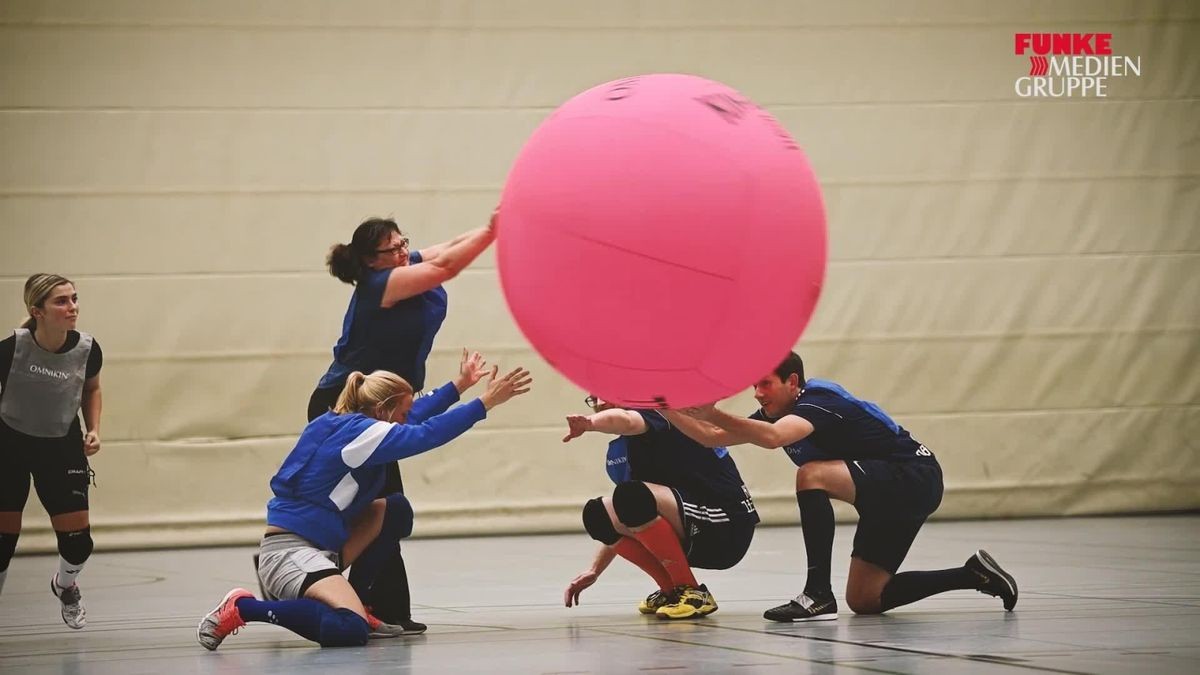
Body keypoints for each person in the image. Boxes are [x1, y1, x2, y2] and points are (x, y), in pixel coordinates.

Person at [199, 357, 532, 650]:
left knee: (394, 509)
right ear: (382, 410)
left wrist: (458, 386)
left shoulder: (347, 425)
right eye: (401, 412)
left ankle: (358, 601)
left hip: (321, 548)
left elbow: (415, 415)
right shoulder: (360, 435)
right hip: (290, 553)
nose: (407, 418)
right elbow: (425, 433)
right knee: (347, 629)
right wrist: (484, 402)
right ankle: (245, 608)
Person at [664, 351, 1018, 622]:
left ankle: (816, 594)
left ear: (792, 382)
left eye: (765, 384)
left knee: (811, 474)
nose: (757, 394)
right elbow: (711, 438)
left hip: (913, 477)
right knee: (866, 600)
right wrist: (661, 408)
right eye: (754, 386)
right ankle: (974, 574)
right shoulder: (777, 412)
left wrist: (711, 412)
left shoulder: (820, 402)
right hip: (887, 494)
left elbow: (772, 439)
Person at [295, 213, 496, 633]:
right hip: (345, 405)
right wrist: (496, 234)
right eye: (394, 248)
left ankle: (380, 606)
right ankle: (320, 586)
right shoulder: (380, 286)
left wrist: (489, 227)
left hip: (379, 406)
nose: (405, 252)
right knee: (382, 507)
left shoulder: (399, 266)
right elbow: (447, 267)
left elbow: (444, 249)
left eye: (405, 243)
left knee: (386, 506)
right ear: (371, 260)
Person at [562, 395, 759, 620]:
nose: (599, 402)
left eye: (604, 394)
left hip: (726, 527)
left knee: (631, 496)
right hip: (691, 528)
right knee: (598, 513)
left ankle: (692, 591)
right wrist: (594, 570)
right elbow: (631, 514)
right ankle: (672, 591)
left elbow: (625, 419)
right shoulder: (619, 453)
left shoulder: (657, 413)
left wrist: (589, 423)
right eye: (593, 398)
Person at [0, 274, 103, 629]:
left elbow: (92, 390)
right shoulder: (10, 348)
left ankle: (65, 585)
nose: (72, 307)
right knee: (3, 543)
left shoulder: (88, 349)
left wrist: (93, 429)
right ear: (37, 311)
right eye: (61, 301)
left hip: (60, 445)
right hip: (9, 445)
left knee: (78, 544)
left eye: (74, 299)